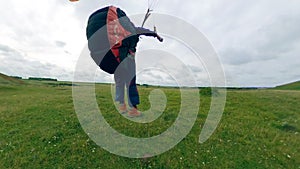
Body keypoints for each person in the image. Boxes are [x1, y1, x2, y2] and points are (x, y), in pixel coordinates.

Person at [86, 6, 163, 117]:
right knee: (131, 82)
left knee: (119, 82)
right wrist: (156, 35)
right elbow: (144, 31)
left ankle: (122, 106)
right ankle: (133, 110)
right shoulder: (133, 30)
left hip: (116, 59)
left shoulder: (121, 33)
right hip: (127, 58)